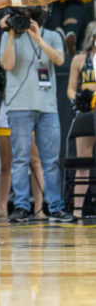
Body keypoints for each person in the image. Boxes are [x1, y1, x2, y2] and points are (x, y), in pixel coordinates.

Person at [0, 4, 73, 222]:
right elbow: (8, 64)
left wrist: (38, 38)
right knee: (20, 159)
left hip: (47, 107)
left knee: (50, 161)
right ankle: (21, 206)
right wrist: (11, 33)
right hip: (19, 107)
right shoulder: (9, 36)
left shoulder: (53, 35)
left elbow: (59, 60)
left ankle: (56, 206)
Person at [65, 31, 96, 217]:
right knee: (82, 162)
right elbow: (70, 88)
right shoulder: (79, 60)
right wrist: (78, 99)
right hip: (85, 114)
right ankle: (77, 211)